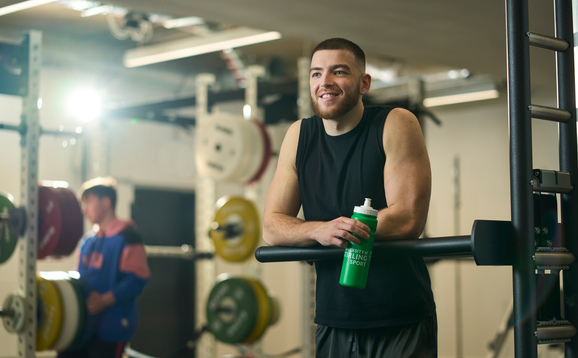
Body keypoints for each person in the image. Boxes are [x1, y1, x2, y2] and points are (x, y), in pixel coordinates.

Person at [262, 38, 437, 357]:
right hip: (334, 318)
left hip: (399, 316)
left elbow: (408, 218)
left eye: (338, 72)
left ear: (363, 82)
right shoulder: (299, 135)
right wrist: (319, 230)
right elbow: (272, 226)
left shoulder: (394, 123)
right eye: (316, 74)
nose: (324, 82)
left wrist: (342, 230)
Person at [58, 177, 150, 358]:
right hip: (82, 327)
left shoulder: (128, 237)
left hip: (111, 329)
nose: (84, 210)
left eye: (88, 203)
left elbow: (137, 279)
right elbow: (78, 278)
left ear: (106, 202)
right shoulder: (87, 241)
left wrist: (104, 300)